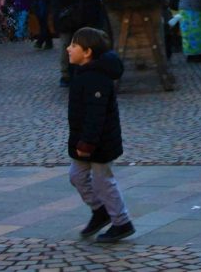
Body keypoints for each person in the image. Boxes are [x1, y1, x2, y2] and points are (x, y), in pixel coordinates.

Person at [66, 27, 134, 243]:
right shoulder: (84, 73)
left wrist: (86, 143)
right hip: (85, 140)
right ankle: (100, 211)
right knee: (76, 176)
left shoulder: (97, 79)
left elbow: (96, 116)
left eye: (74, 45)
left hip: (99, 142)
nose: (68, 48)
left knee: (103, 181)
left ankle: (122, 222)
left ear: (87, 52)